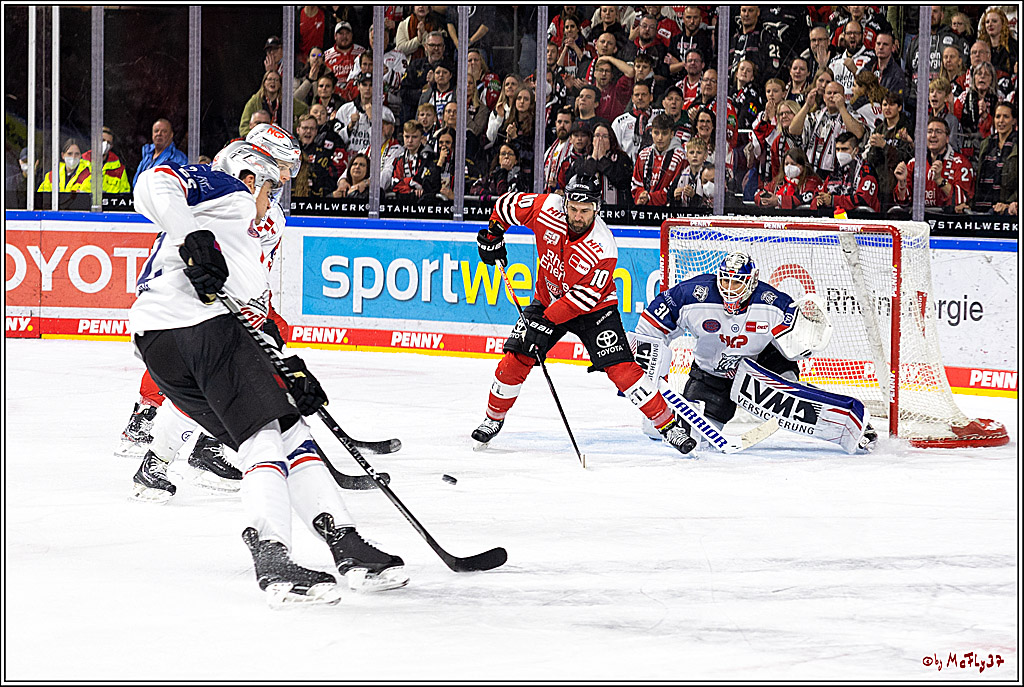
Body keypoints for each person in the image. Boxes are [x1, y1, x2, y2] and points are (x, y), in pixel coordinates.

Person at [129, 139, 406, 603]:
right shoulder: (229, 190)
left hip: (166, 342)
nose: (272, 199)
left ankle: (344, 542)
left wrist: (285, 366)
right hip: (196, 327)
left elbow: (246, 304)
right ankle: (274, 556)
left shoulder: (242, 229)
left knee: (287, 429)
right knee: (266, 434)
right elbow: (154, 182)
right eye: (272, 187)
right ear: (251, 176)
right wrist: (191, 238)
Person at [471, 175, 695, 453]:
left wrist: (545, 321)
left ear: (597, 208)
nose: (577, 216)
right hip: (547, 299)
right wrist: (493, 234)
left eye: (585, 210)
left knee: (622, 369)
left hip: (595, 309)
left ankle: (668, 426)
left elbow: (582, 299)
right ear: (564, 202)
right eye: (573, 208)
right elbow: (506, 206)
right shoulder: (546, 208)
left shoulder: (603, 246)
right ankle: (492, 419)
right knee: (517, 357)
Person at [631, 251, 876, 451]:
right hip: (711, 374)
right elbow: (650, 328)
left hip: (762, 366)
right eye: (725, 280)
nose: (729, 288)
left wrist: (807, 341)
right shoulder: (692, 295)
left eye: (736, 282)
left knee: (793, 393)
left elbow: (797, 347)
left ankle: (853, 423)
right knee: (692, 438)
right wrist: (650, 372)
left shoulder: (773, 302)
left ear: (751, 281)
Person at [893, 116, 975, 212]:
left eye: (938, 132)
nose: (933, 135)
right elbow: (902, 202)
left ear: (947, 138)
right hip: (921, 222)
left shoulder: (961, 163)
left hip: (947, 222)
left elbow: (963, 201)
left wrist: (939, 180)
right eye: (929, 131)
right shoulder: (914, 164)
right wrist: (902, 183)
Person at [789, 79, 865, 176]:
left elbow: (858, 133)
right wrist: (807, 105)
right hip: (812, 171)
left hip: (840, 173)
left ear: (844, 97)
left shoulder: (853, 115)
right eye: (829, 93)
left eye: (836, 93)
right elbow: (793, 129)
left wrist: (842, 108)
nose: (832, 96)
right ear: (824, 97)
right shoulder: (816, 116)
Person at [565, 122, 633, 205]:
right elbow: (577, 180)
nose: (600, 139)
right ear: (592, 140)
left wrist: (602, 159)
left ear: (611, 140)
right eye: (597, 135)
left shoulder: (621, 158)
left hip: (617, 210)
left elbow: (623, 181)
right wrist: (593, 158)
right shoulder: (583, 159)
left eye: (604, 136)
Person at [815, 131, 880, 212]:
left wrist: (833, 200)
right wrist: (820, 199)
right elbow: (819, 193)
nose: (840, 153)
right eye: (838, 149)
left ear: (856, 150)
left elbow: (862, 200)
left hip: (861, 219)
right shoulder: (834, 170)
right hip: (836, 218)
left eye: (845, 149)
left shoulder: (866, 170)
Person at [971, 101, 1017, 214]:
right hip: (983, 207)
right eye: (998, 116)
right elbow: (979, 180)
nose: (1001, 121)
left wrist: (1010, 203)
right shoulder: (986, 143)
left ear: (1014, 121)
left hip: (1009, 210)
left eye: (1006, 117)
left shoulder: (1018, 145)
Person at [631, 113, 686, 206]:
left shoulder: (680, 157)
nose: (660, 138)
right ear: (651, 133)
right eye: (656, 133)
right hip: (645, 211)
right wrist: (641, 195)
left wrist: (650, 198)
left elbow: (675, 189)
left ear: (672, 134)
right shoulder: (643, 155)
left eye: (664, 133)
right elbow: (636, 184)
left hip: (669, 212)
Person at [337, 73, 396, 156]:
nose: (367, 88)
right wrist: (349, 127)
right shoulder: (345, 109)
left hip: (373, 158)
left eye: (371, 85)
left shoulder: (386, 113)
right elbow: (336, 140)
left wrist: (373, 119)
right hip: (349, 157)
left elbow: (385, 142)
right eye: (364, 85)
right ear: (358, 86)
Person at [239, 71, 308, 137]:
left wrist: (294, 128)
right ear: (264, 83)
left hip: (282, 139)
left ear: (280, 84)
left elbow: (304, 109)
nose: (273, 82)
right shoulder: (255, 101)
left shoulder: (286, 100)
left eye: (276, 80)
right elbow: (244, 127)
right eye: (269, 79)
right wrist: (253, 137)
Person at [382, 120, 440, 200]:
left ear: (422, 138)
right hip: (403, 202)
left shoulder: (430, 157)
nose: (410, 141)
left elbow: (427, 183)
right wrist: (411, 188)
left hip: (424, 203)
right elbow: (395, 183)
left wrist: (406, 182)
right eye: (407, 136)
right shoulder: (400, 158)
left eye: (414, 137)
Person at [754, 147, 821, 210]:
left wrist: (779, 201)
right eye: (786, 164)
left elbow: (806, 198)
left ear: (803, 166)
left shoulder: (812, 182)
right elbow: (758, 193)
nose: (789, 167)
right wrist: (764, 200)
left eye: (793, 164)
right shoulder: (778, 181)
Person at [612, 80, 659, 160]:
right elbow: (614, 149)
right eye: (637, 95)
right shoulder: (620, 122)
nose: (640, 98)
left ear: (651, 97)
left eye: (644, 95)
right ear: (632, 98)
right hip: (628, 168)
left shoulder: (659, 116)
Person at [132, 118, 188, 187]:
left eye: (164, 131)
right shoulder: (147, 155)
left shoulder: (179, 159)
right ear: (152, 135)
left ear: (171, 135)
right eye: (156, 131)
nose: (159, 134)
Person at [827, 21, 874, 98]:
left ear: (862, 36)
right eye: (849, 33)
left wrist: (855, 71)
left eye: (856, 33)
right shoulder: (834, 61)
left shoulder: (871, 58)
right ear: (843, 36)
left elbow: (872, 87)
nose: (852, 36)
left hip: (860, 105)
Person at [82, 126, 131, 193]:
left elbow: (125, 194)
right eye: (102, 140)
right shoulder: (80, 163)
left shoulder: (119, 169)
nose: (105, 144)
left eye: (109, 142)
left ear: (111, 146)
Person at [324, 21, 366, 94]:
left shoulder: (361, 52)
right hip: (334, 92)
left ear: (352, 35)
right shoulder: (327, 55)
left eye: (347, 33)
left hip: (357, 90)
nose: (344, 36)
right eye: (341, 34)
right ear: (335, 36)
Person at [866, 31, 906, 101]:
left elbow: (893, 101)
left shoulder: (897, 74)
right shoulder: (868, 67)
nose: (881, 47)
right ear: (875, 46)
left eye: (885, 44)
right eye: (878, 44)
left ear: (893, 48)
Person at [542, 108, 575, 192]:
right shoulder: (550, 149)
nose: (562, 126)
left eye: (566, 122)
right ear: (555, 124)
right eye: (559, 122)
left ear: (572, 124)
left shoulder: (574, 148)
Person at [979, 8, 1017, 74]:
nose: (990, 24)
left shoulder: (1013, 46)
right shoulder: (980, 47)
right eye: (987, 22)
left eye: (994, 21)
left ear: (1003, 24)